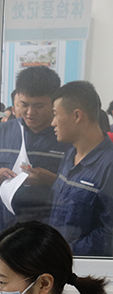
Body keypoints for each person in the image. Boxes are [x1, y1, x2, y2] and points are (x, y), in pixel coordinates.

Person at [0, 66, 70, 232]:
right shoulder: (1, 133)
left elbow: (82, 189)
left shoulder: (67, 138)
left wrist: (52, 180)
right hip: (4, 228)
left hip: (48, 229)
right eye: (24, 105)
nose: (30, 113)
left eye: (38, 106)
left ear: (54, 102)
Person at [49, 81, 113, 256]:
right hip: (58, 260)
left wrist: (65, 253)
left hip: (85, 266)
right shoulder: (69, 156)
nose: (53, 123)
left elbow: (109, 235)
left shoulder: (109, 165)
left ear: (77, 115)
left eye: (55, 115)